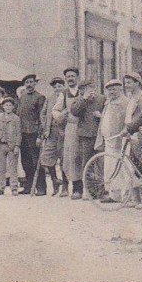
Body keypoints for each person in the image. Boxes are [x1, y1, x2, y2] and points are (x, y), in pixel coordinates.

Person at [69, 78, 105, 199]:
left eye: (92, 88)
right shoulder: (79, 100)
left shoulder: (102, 99)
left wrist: (101, 116)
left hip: (100, 135)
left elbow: (107, 113)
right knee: (86, 163)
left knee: (101, 163)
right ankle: (88, 190)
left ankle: (102, 191)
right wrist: (84, 99)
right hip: (85, 136)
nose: (91, 91)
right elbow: (74, 112)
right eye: (86, 89)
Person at [95, 79, 130, 203]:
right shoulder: (108, 102)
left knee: (122, 168)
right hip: (109, 141)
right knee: (110, 167)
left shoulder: (125, 102)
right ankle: (114, 194)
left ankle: (126, 195)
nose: (112, 92)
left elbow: (127, 121)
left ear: (120, 89)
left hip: (120, 140)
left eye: (114, 89)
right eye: (109, 90)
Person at [53, 67, 84, 198]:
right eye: (68, 76)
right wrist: (61, 116)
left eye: (72, 76)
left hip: (85, 126)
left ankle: (91, 189)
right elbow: (55, 110)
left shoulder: (83, 90)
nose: (70, 78)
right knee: (72, 157)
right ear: (65, 79)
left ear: (77, 77)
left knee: (85, 156)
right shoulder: (64, 93)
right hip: (71, 127)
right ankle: (77, 189)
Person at [38, 77, 68, 196]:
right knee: (46, 158)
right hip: (51, 132)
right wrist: (46, 126)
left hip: (63, 132)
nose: (57, 89)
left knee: (63, 159)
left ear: (63, 86)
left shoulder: (67, 96)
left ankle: (65, 186)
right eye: (55, 87)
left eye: (59, 86)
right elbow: (43, 113)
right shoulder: (50, 98)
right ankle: (55, 181)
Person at [17, 74, 46, 194]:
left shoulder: (40, 97)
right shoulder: (22, 97)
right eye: (27, 82)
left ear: (35, 83)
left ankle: (41, 188)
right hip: (23, 133)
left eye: (31, 82)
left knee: (36, 161)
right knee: (25, 161)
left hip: (34, 133)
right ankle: (28, 187)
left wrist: (40, 135)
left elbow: (42, 118)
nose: (29, 84)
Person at [0, 96, 21, 195]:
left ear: (13, 107)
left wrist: (17, 146)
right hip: (0, 145)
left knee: (13, 167)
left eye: (10, 105)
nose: (8, 107)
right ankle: (0, 187)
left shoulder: (16, 118)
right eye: (6, 105)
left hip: (11, 146)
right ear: (3, 106)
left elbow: (18, 133)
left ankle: (14, 187)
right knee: (1, 168)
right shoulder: (0, 116)